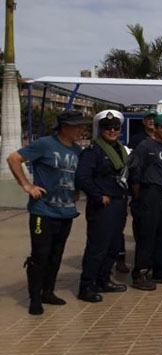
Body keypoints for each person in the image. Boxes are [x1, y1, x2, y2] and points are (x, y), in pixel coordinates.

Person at [6, 111, 84, 315]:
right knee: (40, 255)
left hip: (66, 212)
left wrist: (75, 191)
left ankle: (48, 292)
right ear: (64, 127)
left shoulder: (77, 150)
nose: (80, 129)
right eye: (76, 126)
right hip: (43, 211)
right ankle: (34, 298)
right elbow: (14, 158)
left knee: (56, 255)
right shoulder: (45, 144)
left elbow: (75, 174)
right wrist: (27, 185)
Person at [74, 110, 129, 303]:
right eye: (108, 128)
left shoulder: (120, 150)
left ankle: (103, 280)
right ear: (101, 130)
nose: (112, 131)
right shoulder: (93, 151)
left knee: (113, 246)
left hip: (119, 203)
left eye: (115, 128)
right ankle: (86, 286)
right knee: (97, 248)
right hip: (103, 206)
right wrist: (98, 196)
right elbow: (82, 177)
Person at [126, 113, 162, 290]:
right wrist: (140, 197)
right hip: (150, 193)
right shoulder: (144, 146)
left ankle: (160, 271)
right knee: (147, 235)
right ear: (154, 128)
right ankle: (140, 274)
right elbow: (134, 175)